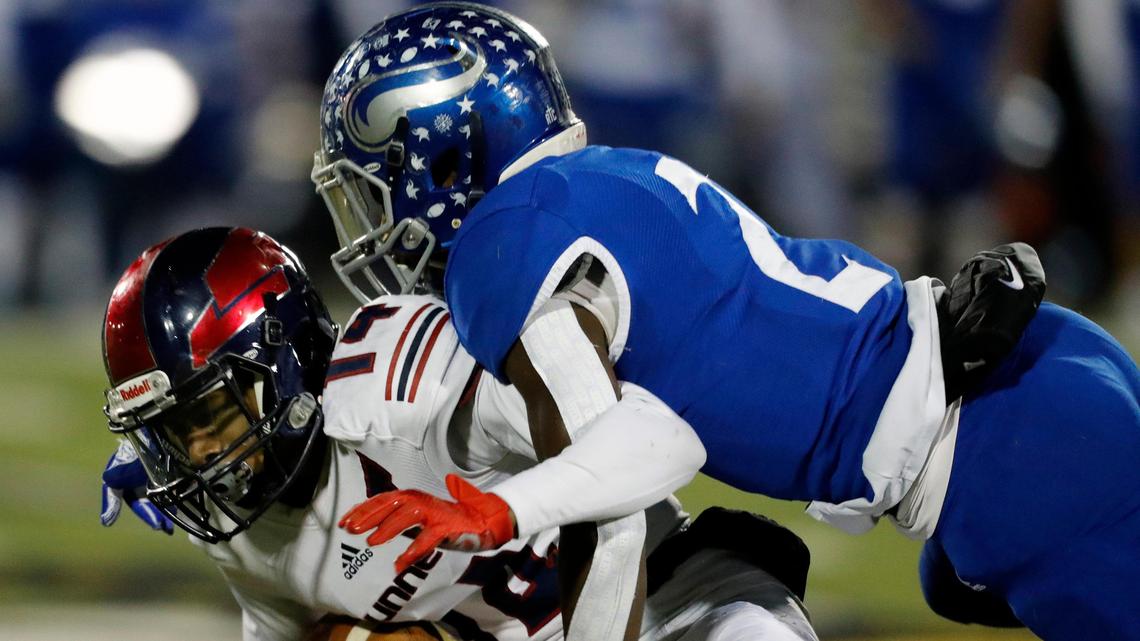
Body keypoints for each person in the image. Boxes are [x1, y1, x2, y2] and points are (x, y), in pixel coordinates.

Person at [310, 3, 1140, 639]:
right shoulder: (590, 185)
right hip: (1022, 401)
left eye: (370, 190)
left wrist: (512, 514)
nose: (370, 227)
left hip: (1013, 460)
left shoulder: (506, 243)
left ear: (445, 157)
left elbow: (609, 502)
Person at [99, 226, 819, 641]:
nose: (199, 455)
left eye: (209, 415)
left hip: (669, 605)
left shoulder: (407, 382)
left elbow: (662, 438)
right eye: (168, 433)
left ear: (284, 365)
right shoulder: (230, 517)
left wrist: (510, 507)